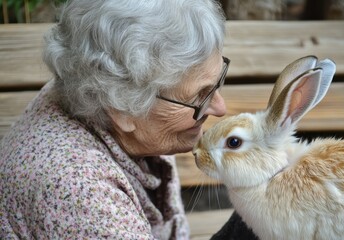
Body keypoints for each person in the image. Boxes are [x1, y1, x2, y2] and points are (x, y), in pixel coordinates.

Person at [0, 0, 231, 239]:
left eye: (217, 83)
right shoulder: (80, 195)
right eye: (200, 96)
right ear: (122, 110)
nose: (220, 107)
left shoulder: (107, 87)